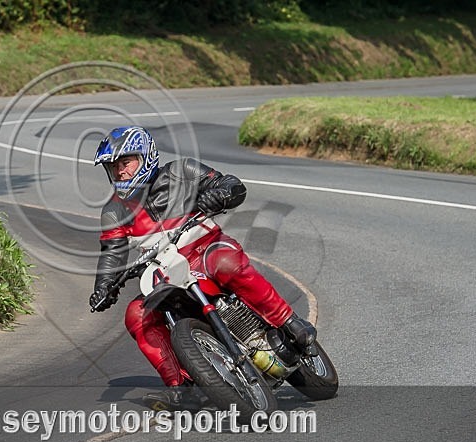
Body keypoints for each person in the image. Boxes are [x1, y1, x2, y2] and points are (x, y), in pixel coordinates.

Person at [88, 126, 317, 411]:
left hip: (205, 249)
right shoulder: (114, 210)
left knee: (227, 264)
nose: (120, 172)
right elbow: (111, 252)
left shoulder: (182, 171)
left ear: (145, 156)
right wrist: (103, 286)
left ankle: (289, 322)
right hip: (164, 272)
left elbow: (230, 184)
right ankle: (180, 387)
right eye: (113, 167)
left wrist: (219, 194)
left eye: (125, 163)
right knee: (136, 315)